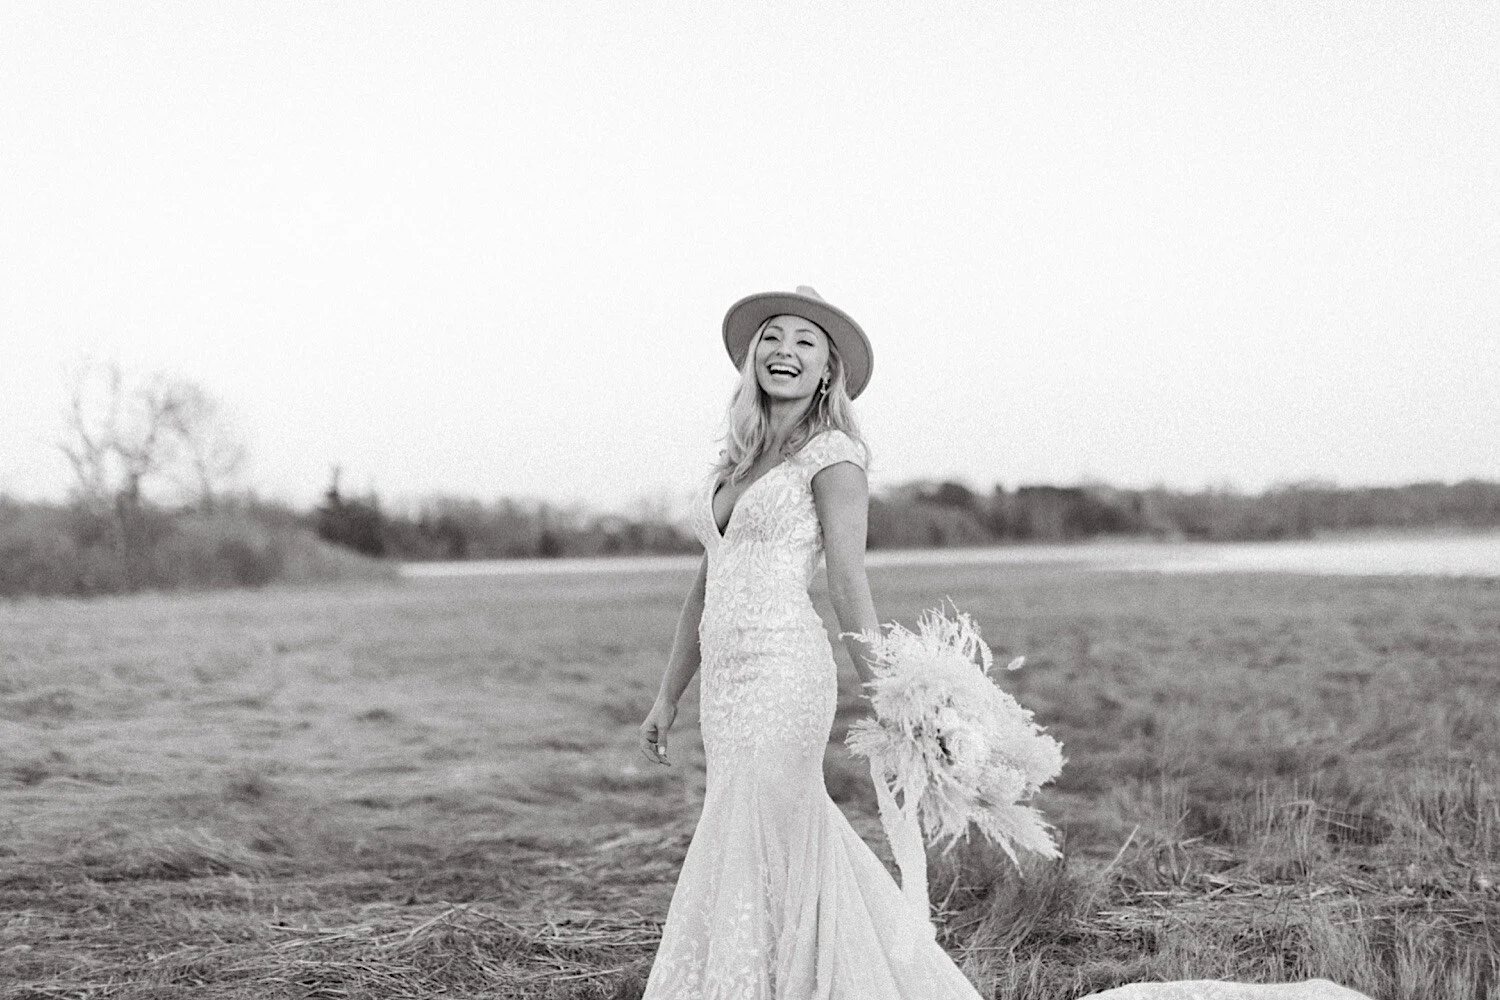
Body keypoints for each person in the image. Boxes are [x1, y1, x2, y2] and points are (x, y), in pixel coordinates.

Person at [635, 287, 1371, 1000]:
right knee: (747, 821)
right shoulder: (734, 464)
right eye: (772, 336)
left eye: (806, 342)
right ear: (752, 357)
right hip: (725, 684)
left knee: (767, 818)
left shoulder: (833, 458)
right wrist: (668, 696)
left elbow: (848, 584)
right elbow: (704, 587)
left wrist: (890, 696)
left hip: (783, 673)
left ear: (828, 370)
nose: (785, 350)